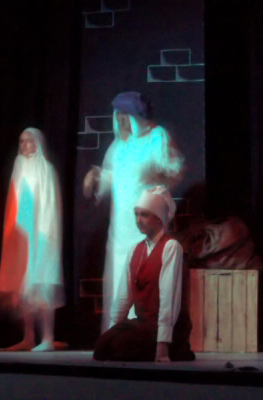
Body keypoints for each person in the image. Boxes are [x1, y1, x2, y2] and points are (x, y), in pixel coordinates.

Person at [83, 92, 183, 330]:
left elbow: (174, 170)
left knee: (145, 276)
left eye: (124, 115)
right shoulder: (118, 147)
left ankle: (146, 332)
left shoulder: (156, 138)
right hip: (121, 227)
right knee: (120, 274)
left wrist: (160, 174)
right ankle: (117, 332)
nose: (119, 120)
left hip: (147, 224)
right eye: (117, 115)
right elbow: (111, 177)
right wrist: (97, 177)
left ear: (135, 117)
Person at [93, 186, 194, 362]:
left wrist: (162, 345)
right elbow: (124, 295)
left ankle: (175, 348)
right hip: (144, 324)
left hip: (166, 327)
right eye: (136, 215)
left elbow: (169, 296)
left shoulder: (170, 247)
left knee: (120, 348)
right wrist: (111, 330)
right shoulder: (135, 250)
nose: (138, 220)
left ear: (158, 219)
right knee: (103, 348)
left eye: (144, 215)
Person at [0, 128, 64, 351]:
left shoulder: (46, 169)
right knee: (24, 289)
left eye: (29, 141)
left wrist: (46, 238)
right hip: (22, 238)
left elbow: (50, 207)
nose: (24, 145)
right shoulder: (19, 168)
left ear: (38, 144)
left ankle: (47, 338)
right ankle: (28, 337)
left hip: (41, 236)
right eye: (21, 141)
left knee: (42, 286)